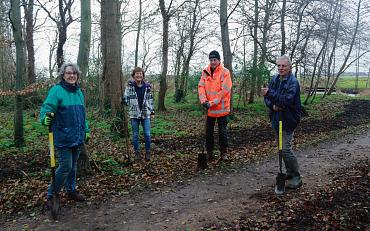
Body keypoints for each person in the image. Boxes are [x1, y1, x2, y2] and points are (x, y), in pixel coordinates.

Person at [40, 63, 90, 208]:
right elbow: (46, 109)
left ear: (77, 76)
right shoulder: (57, 90)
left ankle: (71, 190)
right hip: (63, 135)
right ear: (63, 74)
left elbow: (82, 115)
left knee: (73, 166)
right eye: (69, 73)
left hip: (78, 135)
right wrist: (45, 119)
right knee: (66, 165)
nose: (72, 75)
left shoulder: (79, 92)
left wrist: (86, 130)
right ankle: (51, 194)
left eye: (74, 73)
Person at [261, 55, 303, 189]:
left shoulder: (293, 82)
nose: (280, 68)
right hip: (276, 118)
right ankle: (289, 173)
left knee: (285, 149)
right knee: (281, 148)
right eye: (278, 65)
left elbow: (286, 101)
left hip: (288, 119)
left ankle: (296, 176)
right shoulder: (274, 79)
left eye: (283, 66)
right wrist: (272, 105)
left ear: (289, 67)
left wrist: (269, 94)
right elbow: (267, 99)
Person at [198, 50, 232, 161]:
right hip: (209, 109)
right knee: (209, 132)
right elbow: (201, 87)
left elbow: (224, 91)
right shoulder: (205, 72)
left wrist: (211, 103)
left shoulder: (225, 72)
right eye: (211, 60)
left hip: (221, 109)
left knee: (222, 132)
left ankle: (224, 153)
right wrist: (203, 100)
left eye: (215, 60)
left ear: (219, 60)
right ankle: (209, 152)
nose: (213, 62)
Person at [122, 67, 154, 161]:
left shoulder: (148, 87)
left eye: (140, 74)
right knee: (135, 135)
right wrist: (124, 101)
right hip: (134, 114)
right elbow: (126, 100)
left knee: (147, 134)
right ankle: (137, 153)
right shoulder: (129, 87)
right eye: (137, 74)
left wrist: (152, 112)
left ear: (143, 75)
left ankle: (148, 152)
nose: (139, 75)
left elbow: (150, 100)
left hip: (145, 114)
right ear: (133, 76)